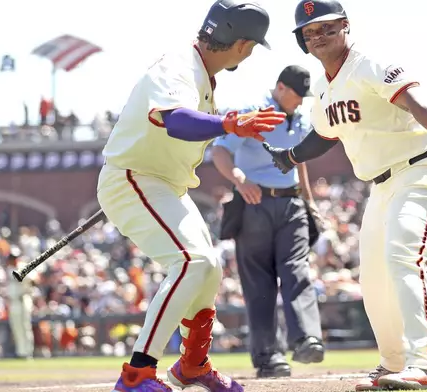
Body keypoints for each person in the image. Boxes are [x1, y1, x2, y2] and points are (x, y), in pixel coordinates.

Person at [262, 0, 427, 390]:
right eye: (310, 32)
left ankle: (424, 366)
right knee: (372, 277)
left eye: (326, 27)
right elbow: (324, 136)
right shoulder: (322, 87)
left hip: (424, 167)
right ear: (303, 40)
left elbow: (413, 101)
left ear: (345, 26)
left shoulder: (369, 61)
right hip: (381, 185)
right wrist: (290, 156)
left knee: (403, 255)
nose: (318, 36)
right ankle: (393, 364)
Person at [96, 1, 286, 391]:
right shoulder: (179, 65)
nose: (249, 54)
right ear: (241, 42)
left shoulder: (198, 71)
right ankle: (137, 375)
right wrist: (229, 124)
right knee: (190, 261)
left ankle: (193, 365)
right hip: (134, 178)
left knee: (209, 266)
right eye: (250, 45)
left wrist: (227, 122)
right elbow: (176, 121)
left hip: (161, 184)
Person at [211, 65, 325, 378]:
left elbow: (298, 160)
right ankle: (268, 357)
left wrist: (310, 202)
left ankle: (306, 338)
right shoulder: (253, 112)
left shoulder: (300, 117)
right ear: (281, 88)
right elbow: (220, 150)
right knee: (259, 283)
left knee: (297, 268)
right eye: (298, 95)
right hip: (254, 202)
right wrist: (238, 178)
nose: (301, 101)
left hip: (292, 203)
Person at [6, 247, 34, 359]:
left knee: (25, 327)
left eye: (14, 257)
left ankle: (28, 352)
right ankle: (20, 352)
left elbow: (33, 280)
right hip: (13, 301)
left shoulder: (23, 267)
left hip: (23, 300)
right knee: (16, 327)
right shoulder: (9, 269)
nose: (13, 259)